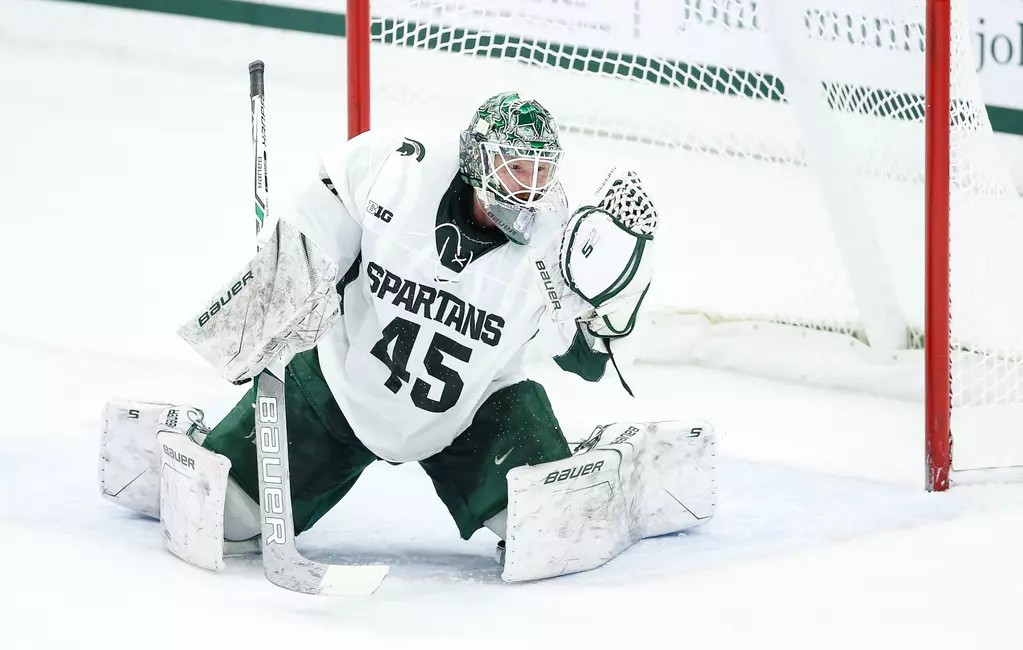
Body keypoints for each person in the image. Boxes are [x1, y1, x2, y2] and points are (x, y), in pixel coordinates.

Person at [99, 91, 712, 582]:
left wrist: (615, 300)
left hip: (473, 414)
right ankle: (187, 440)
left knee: (557, 532)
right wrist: (282, 286)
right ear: (478, 161)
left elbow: (590, 363)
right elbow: (311, 232)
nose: (529, 186)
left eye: (541, 170)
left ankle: (615, 461)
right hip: (340, 391)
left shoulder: (558, 243)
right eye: (515, 167)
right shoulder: (397, 169)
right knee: (222, 520)